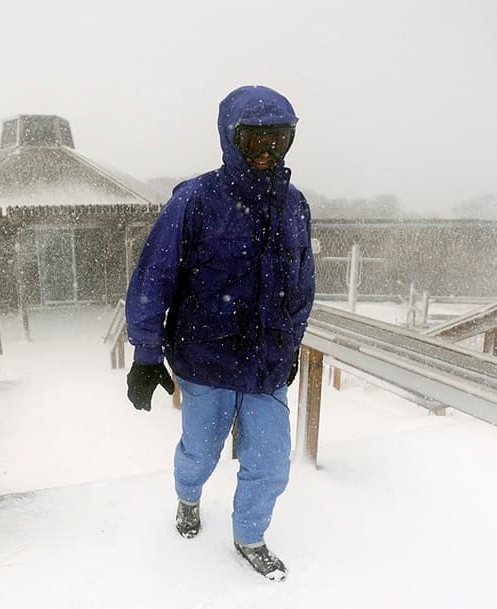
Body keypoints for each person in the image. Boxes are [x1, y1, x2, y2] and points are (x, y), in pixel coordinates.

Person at [124, 85, 315, 581]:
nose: (267, 153)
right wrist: (147, 354)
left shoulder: (294, 206)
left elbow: (302, 283)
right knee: (201, 450)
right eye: (255, 141)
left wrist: (291, 344)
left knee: (272, 461)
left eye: (279, 141)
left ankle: (249, 536)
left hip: (266, 364)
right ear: (231, 140)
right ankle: (188, 497)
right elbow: (154, 277)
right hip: (205, 359)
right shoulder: (196, 200)